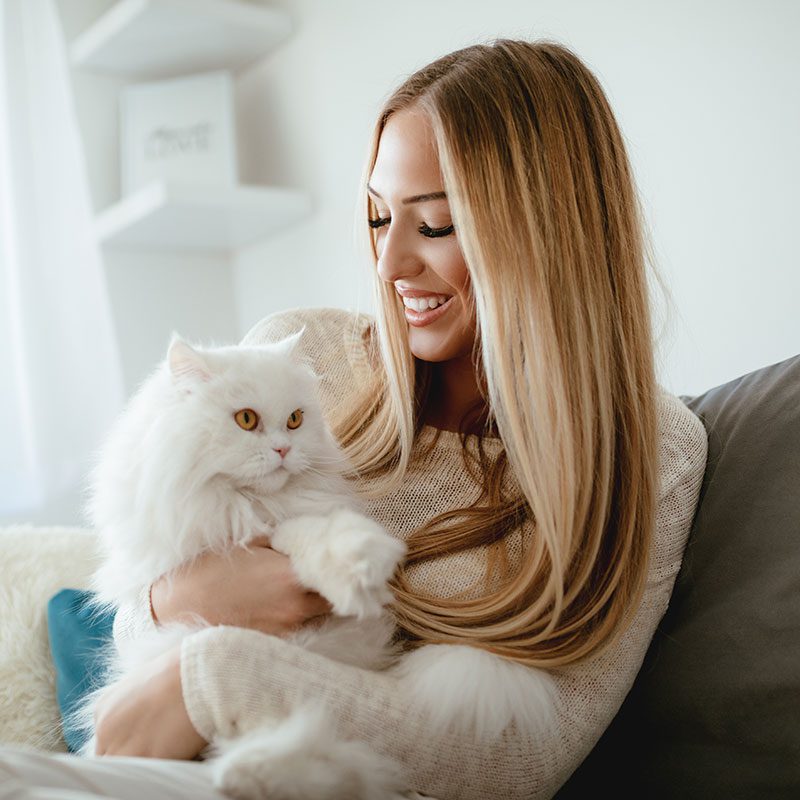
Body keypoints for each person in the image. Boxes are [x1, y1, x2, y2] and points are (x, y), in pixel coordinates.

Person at [0, 38, 707, 800]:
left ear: (547, 232)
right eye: (378, 217)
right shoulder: (300, 359)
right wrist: (174, 601)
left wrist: (214, 676)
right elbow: (139, 643)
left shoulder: (656, 455)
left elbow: (523, 764)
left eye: (434, 226)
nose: (389, 263)